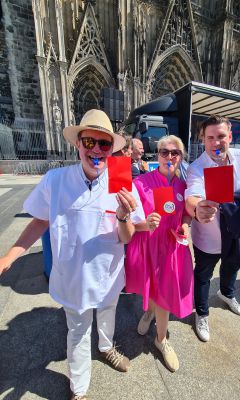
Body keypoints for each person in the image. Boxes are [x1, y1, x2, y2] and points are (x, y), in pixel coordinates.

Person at [0, 109, 145, 400]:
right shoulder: (55, 180)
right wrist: (10, 256)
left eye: (104, 144)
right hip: (72, 278)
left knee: (107, 314)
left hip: (108, 273)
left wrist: (122, 216)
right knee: (77, 331)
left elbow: (127, 236)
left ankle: (106, 348)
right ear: (77, 143)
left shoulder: (121, 182)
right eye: (89, 142)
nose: (96, 150)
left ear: (111, 150)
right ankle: (79, 389)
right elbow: (40, 220)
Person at [185, 115, 240, 343]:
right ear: (203, 140)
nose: (216, 142)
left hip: (237, 234)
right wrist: (197, 210)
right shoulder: (197, 167)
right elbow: (191, 196)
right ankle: (201, 313)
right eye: (210, 137)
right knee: (203, 275)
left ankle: (227, 293)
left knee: (232, 266)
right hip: (208, 238)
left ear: (229, 136)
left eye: (221, 136)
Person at [125, 135, 194, 372]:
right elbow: (131, 222)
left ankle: (161, 339)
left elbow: (186, 213)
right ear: (158, 155)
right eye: (164, 152)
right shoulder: (141, 182)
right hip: (149, 246)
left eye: (175, 153)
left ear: (181, 157)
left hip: (172, 247)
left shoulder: (184, 186)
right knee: (154, 288)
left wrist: (186, 224)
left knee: (164, 291)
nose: (169, 157)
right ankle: (149, 311)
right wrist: (146, 223)